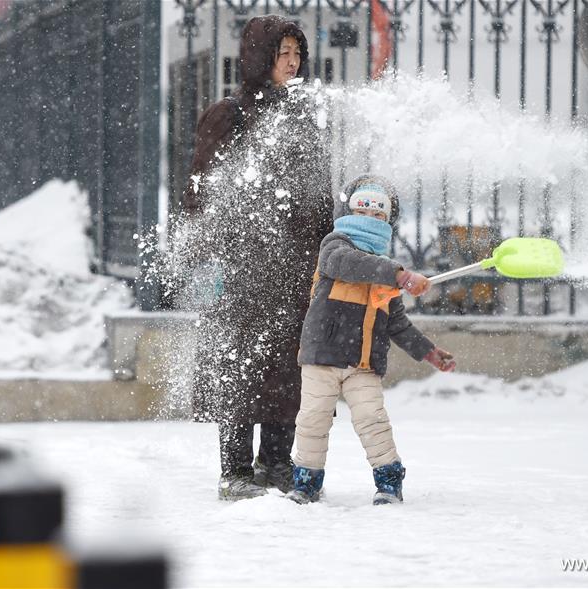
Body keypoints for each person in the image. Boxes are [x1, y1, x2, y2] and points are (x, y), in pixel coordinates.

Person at [180, 15, 334, 500]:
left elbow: (317, 189)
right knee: (240, 364)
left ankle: (277, 462)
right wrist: (206, 271)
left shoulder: (302, 115)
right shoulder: (229, 114)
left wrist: (325, 250)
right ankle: (236, 468)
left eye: (296, 54)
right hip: (242, 265)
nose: (291, 63)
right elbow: (200, 192)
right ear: (258, 56)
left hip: (294, 266)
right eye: (282, 53)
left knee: (290, 366)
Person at [287, 175, 457, 506]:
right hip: (321, 357)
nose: (370, 220)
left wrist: (429, 353)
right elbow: (350, 265)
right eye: (363, 212)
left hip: (363, 363)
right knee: (312, 419)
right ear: (350, 213)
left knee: (372, 420)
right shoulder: (335, 248)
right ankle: (306, 482)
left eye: (378, 215)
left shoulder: (386, 272)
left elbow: (397, 323)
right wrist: (401, 276)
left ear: (387, 220)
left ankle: (389, 482)